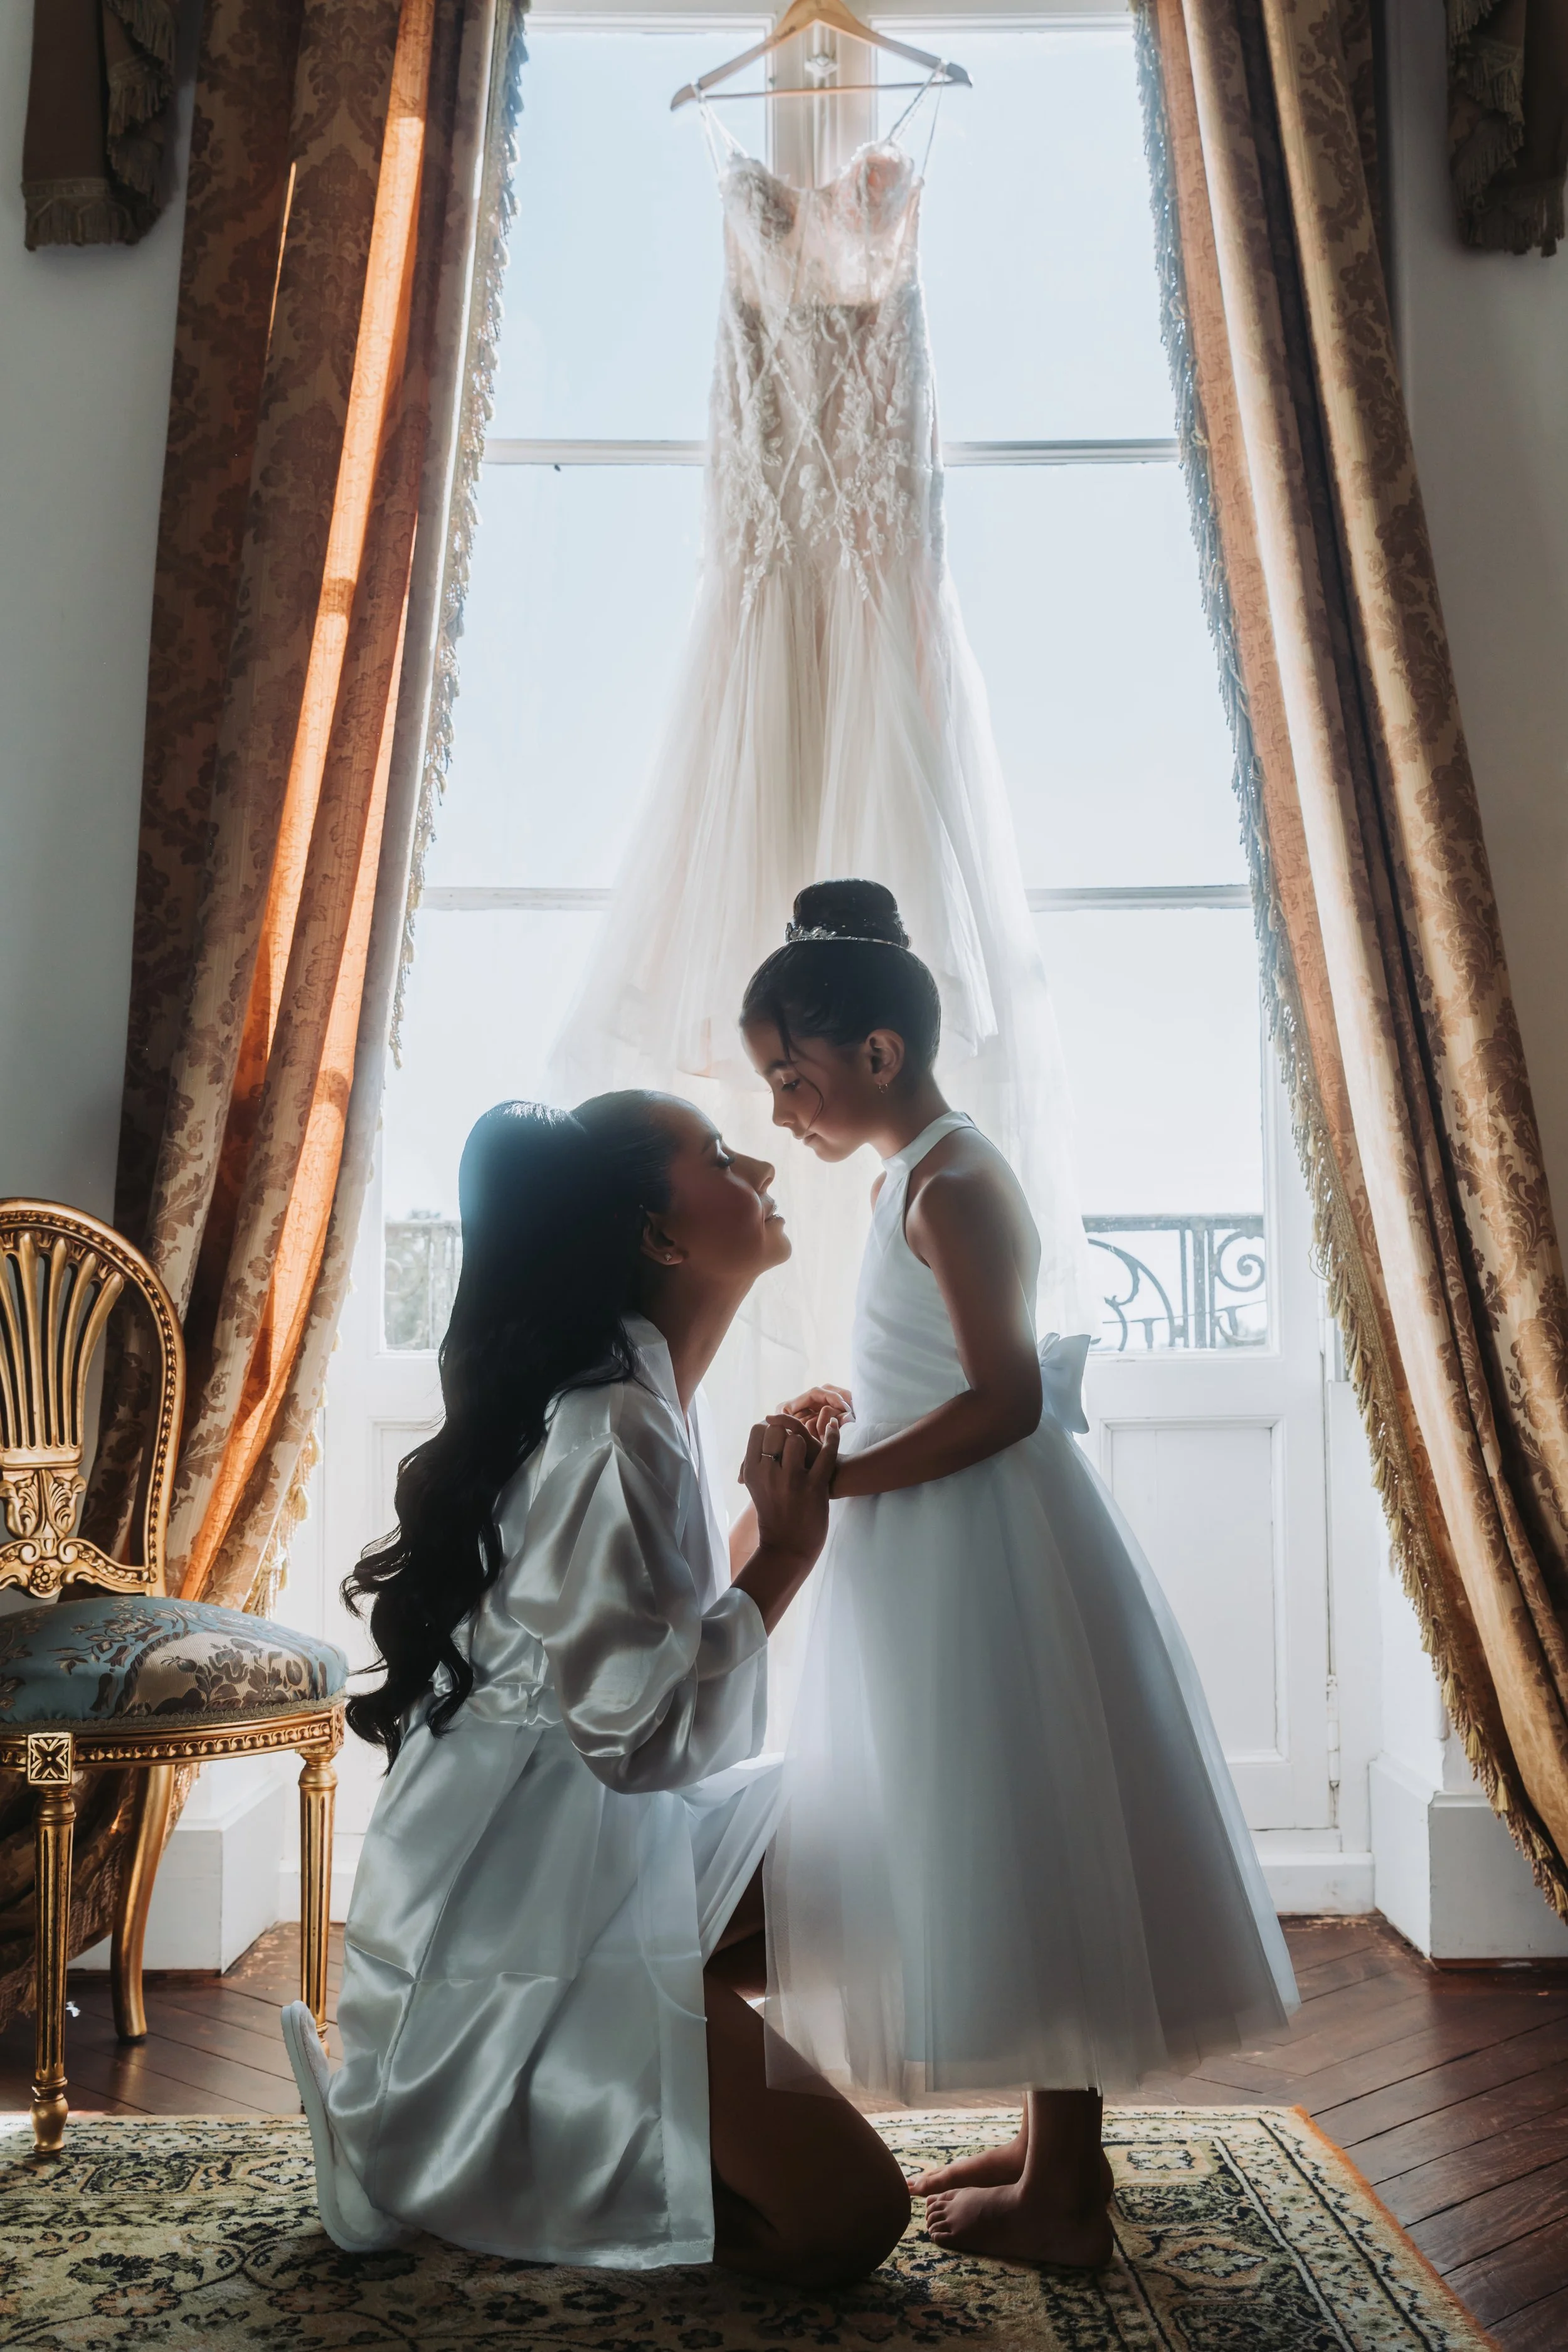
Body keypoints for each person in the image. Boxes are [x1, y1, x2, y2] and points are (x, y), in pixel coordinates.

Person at [742, 881, 1300, 2268]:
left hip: (984, 1545)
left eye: (790, 1076)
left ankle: (1064, 2198)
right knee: (1001, 1830)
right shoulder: (907, 1177)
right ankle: (1059, 2145)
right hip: (943, 1538)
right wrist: (848, 1414)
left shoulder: (955, 1180)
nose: (777, 1111)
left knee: (1027, 1826)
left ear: (877, 1054)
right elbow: (929, 1373)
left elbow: (1002, 1402)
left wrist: (837, 1482)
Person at [280, 1092, 910, 2283]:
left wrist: (778, 1500)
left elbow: (656, 1635)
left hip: (602, 1844)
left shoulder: (644, 1386)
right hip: (529, 1908)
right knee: (848, 2221)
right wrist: (786, 1551)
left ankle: (654, 2082)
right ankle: (411, 2140)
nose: (764, 1159)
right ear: (661, 1238)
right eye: (722, 1157)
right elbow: (642, 1731)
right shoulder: (610, 1421)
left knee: (876, 1836)